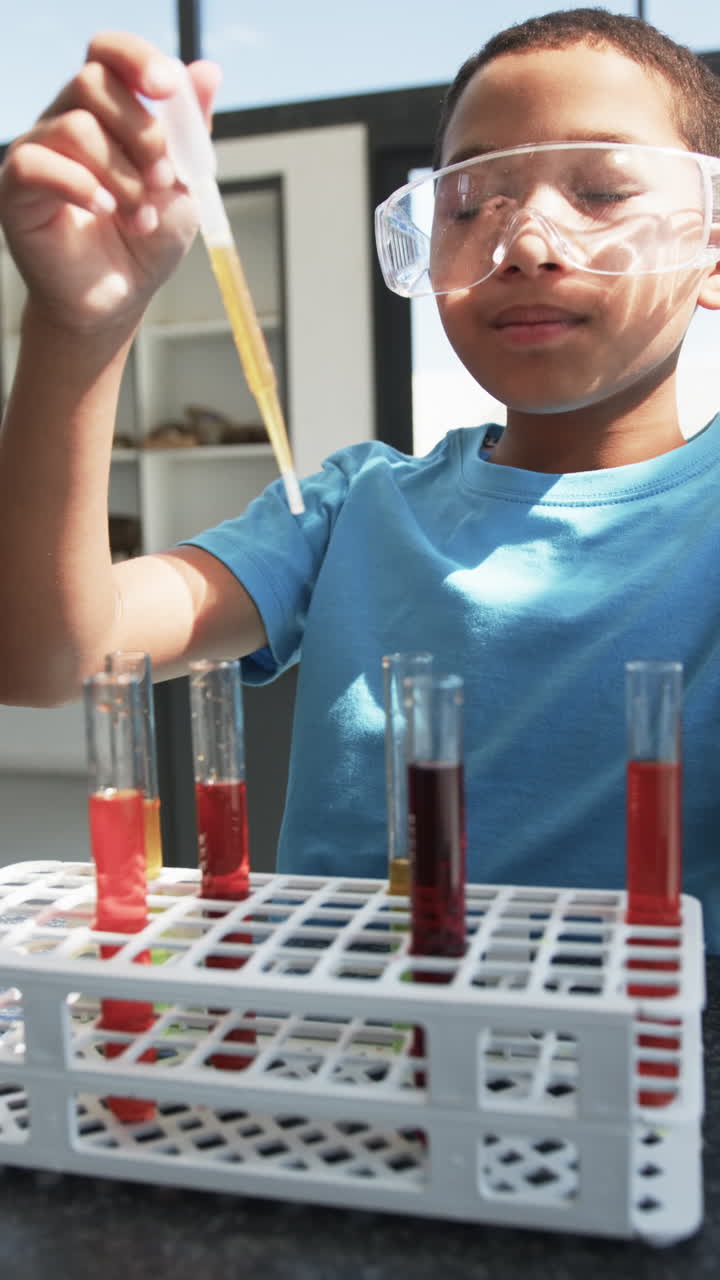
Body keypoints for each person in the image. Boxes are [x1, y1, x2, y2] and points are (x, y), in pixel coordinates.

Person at [1, 9, 719, 946]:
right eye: (472, 206)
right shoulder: (350, 510)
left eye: (602, 191)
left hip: (645, 1078)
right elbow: (45, 657)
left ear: (710, 245)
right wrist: (77, 325)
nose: (528, 243)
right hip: (347, 1057)